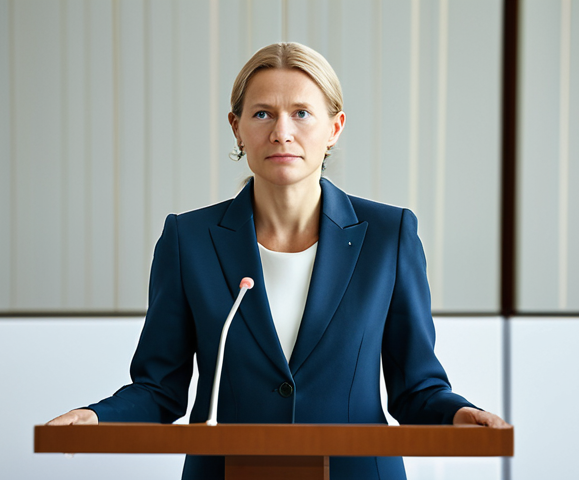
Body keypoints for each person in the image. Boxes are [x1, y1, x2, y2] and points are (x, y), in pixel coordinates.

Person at [48, 42, 508, 479]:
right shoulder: (188, 240)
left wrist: (456, 413)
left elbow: (415, 390)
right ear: (237, 127)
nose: (281, 132)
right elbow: (159, 388)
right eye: (262, 113)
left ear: (334, 127)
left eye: (302, 113)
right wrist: (99, 417)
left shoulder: (390, 236)